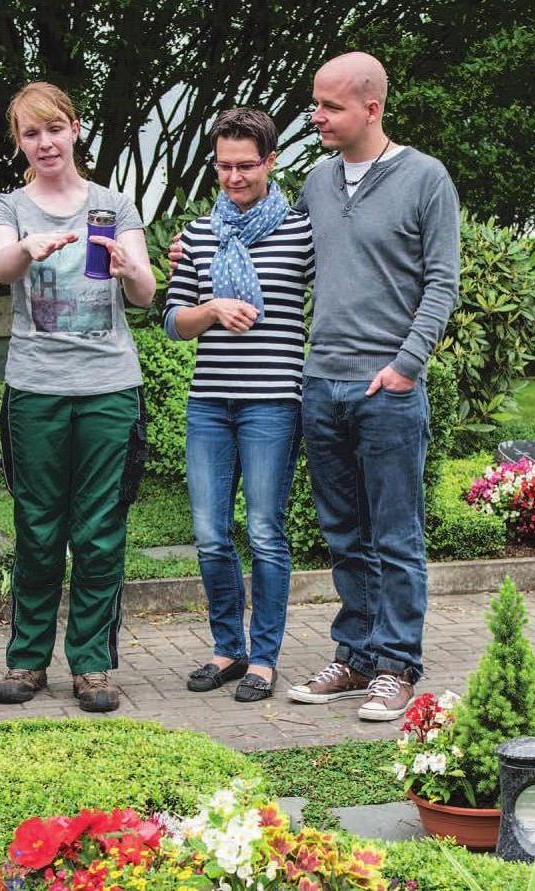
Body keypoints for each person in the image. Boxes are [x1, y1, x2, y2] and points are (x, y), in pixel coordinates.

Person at [170, 52, 459, 721]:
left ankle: (395, 663)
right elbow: (272, 247)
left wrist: (407, 364)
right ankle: (354, 653)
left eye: (329, 106)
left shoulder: (424, 179)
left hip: (387, 385)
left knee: (395, 531)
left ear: (371, 108)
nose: (316, 116)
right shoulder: (320, 184)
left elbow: (442, 281)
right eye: (315, 103)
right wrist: (196, 252)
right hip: (320, 382)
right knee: (343, 531)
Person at [0, 82, 156, 713]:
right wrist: (27, 249)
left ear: (75, 129)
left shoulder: (113, 204)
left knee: (101, 529)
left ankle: (91, 664)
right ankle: (27, 659)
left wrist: (128, 270)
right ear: (21, 143)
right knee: (37, 526)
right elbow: (1, 265)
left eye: (54, 129)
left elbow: (144, 292)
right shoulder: (8, 207)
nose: (45, 143)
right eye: (31, 134)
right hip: (36, 388)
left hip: (110, 388)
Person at [164, 108, 313, 702]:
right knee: (209, 533)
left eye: (245, 166)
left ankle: (265, 660)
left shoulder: (302, 231)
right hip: (210, 404)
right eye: (223, 166)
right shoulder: (200, 235)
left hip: (273, 403)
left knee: (267, 532)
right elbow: (175, 321)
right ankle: (228, 649)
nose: (233, 177)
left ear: (270, 162)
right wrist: (214, 311)